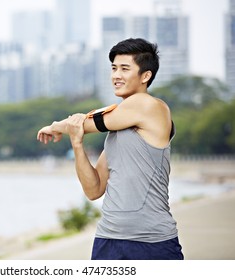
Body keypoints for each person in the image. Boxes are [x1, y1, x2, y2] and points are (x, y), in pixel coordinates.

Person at [37, 38, 184, 260]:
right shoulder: (118, 130)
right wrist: (77, 144)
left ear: (146, 76)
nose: (116, 75)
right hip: (108, 239)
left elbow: (88, 123)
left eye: (125, 69)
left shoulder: (150, 106)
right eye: (114, 68)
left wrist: (55, 126)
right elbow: (93, 190)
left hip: (152, 242)